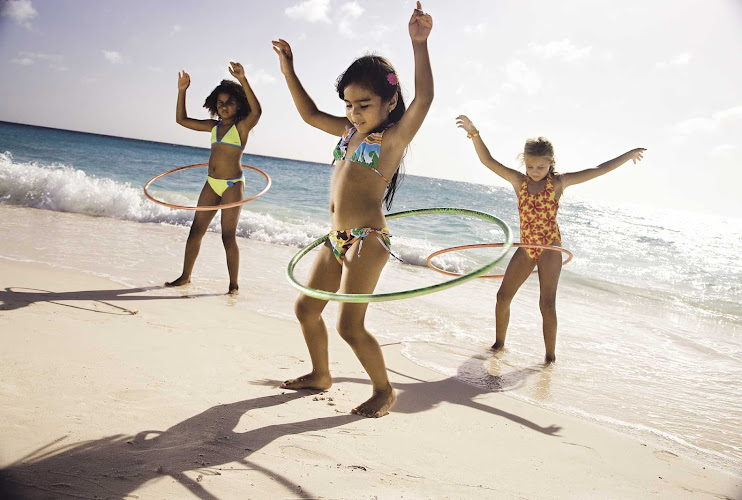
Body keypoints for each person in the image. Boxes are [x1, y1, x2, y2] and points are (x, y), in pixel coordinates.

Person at [272, 1, 433, 417]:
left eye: (364, 104)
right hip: (336, 238)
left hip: (367, 240)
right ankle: (320, 374)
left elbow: (426, 98)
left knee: (349, 325)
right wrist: (289, 70)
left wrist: (419, 44)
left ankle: (383, 390)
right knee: (306, 308)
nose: (354, 112)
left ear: (389, 100)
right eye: (348, 104)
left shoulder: (391, 141)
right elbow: (308, 114)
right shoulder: (347, 134)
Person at [456, 114, 646, 363]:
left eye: (541, 167)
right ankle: (499, 345)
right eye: (531, 167)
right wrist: (474, 132)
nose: (535, 172)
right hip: (526, 247)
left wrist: (628, 154)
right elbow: (487, 160)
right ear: (524, 163)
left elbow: (598, 170)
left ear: (551, 163)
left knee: (546, 304)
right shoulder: (519, 182)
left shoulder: (558, 183)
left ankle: (549, 359)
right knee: (502, 297)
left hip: (549, 247)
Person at [166, 62, 261, 295]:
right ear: (214, 106)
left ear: (238, 104)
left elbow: (257, 112)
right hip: (211, 183)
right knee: (195, 230)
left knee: (227, 236)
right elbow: (181, 120)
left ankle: (233, 285)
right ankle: (185, 276)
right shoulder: (213, 127)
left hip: (232, 184)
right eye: (221, 103)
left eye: (229, 102)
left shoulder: (241, 127)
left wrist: (243, 79)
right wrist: (182, 90)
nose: (225, 106)